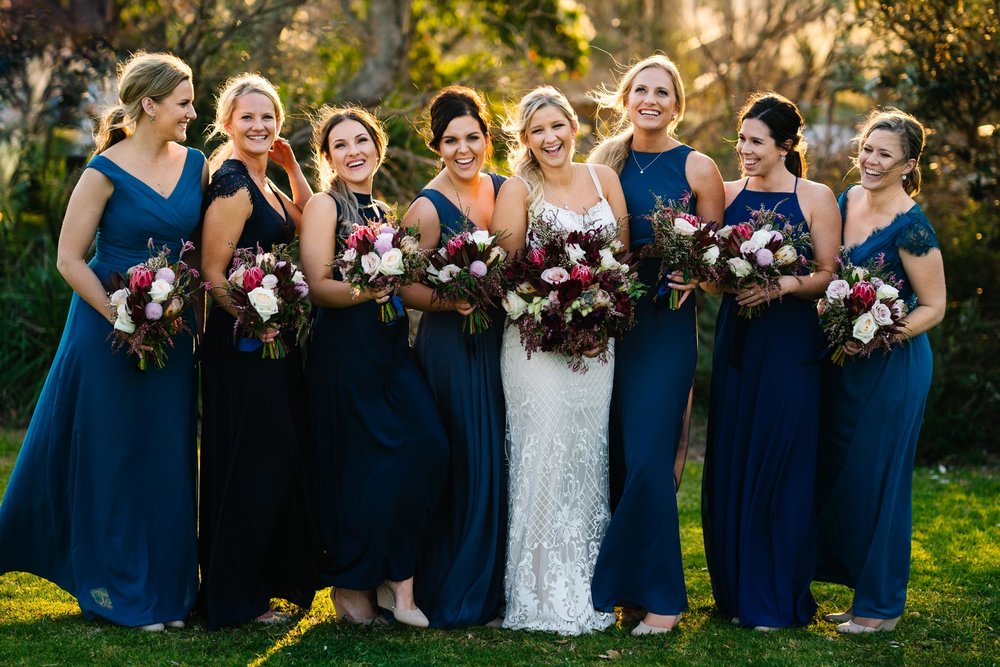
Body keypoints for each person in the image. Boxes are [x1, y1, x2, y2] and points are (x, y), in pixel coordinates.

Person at [0, 52, 204, 631]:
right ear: (151, 104)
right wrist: (121, 314)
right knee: (113, 454)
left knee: (166, 455)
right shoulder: (103, 171)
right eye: (184, 102)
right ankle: (119, 589)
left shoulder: (196, 166)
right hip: (105, 329)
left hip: (174, 328)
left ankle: (170, 590)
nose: (193, 112)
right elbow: (69, 258)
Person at [587, 54, 725, 635]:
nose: (650, 99)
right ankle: (631, 595)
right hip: (603, 319)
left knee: (649, 459)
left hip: (666, 324)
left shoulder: (698, 168)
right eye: (640, 89)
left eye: (662, 92)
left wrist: (699, 274)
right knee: (616, 459)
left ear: (677, 104)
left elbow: (720, 265)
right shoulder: (601, 163)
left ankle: (664, 599)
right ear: (625, 100)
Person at [299, 106, 448, 628]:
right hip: (345, 354)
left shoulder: (382, 212)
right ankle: (360, 586)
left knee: (428, 445)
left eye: (362, 140)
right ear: (328, 158)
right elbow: (317, 285)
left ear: (378, 148)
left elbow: (404, 285)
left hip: (391, 352)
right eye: (341, 145)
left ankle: (397, 583)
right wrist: (369, 289)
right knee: (360, 471)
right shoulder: (324, 206)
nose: (354, 151)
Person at [491, 86, 629, 635]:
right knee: (543, 456)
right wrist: (551, 314)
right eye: (537, 131)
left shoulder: (605, 180)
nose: (550, 139)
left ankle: (591, 584)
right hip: (535, 347)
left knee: (586, 457)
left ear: (575, 127)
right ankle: (537, 591)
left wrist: (601, 313)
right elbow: (504, 274)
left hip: (598, 347)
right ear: (525, 140)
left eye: (558, 126)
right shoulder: (518, 191)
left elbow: (620, 260)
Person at [701, 92, 839, 630]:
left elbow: (829, 273)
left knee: (782, 461)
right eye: (742, 140)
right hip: (739, 341)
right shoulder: (728, 193)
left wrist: (782, 283)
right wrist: (712, 278)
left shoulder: (816, 196)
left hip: (791, 346)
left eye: (756, 142)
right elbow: (713, 275)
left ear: (785, 145)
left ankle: (776, 597)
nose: (745, 150)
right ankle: (736, 593)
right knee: (735, 458)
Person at [815, 108, 944, 634]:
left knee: (882, 480)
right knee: (849, 478)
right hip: (848, 365)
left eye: (884, 154)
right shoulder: (848, 201)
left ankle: (881, 607)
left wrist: (882, 331)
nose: (870, 160)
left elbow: (934, 306)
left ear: (908, 165)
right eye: (867, 148)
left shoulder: (913, 229)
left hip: (894, 368)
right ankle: (861, 592)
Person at [197, 73, 318, 628]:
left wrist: (293, 169)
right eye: (247, 117)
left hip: (272, 335)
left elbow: (310, 222)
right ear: (227, 123)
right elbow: (212, 273)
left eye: (267, 117)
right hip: (243, 342)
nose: (259, 126)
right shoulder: (231, 186)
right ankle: (234, 596)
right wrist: (253, 317)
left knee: (273, 458)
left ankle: (260, 586)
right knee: (250, 462)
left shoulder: (263, 180)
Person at [401, 86, 507, 628]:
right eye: (450, 141)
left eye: (472, 137)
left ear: (487, 138)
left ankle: (494, 587)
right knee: (465, 458)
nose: (463, 149)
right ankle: (453, 588)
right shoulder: (426, 206)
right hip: (451, 344)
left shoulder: (509, 188)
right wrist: (451, 298)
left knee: (500, 459)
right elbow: (403, 287)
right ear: (436, 146)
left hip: (503, 342)